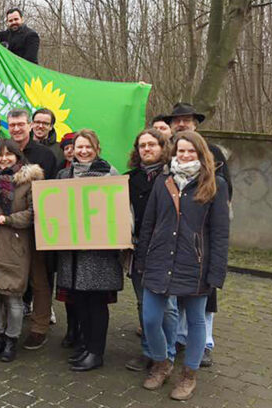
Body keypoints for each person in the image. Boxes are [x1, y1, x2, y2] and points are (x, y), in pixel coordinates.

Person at [135, 131, 229, 400]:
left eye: (191, 151)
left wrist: (216, 272)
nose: (185, 155)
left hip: (195, 263)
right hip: (159, 259)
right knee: (151, 319)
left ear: (201, 154)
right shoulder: (163, 182)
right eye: (180, 151)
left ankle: (189, 375)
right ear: (173, 153)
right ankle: (162, 363)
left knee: (196, 321)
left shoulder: (215, 185)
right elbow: (149, 223)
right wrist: (142, 258)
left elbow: (220, 233)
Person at [161, 102, 232, 367]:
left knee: (202, 301)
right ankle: (179, 339)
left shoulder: (211, 152)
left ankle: (204, 344)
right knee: (177, 296)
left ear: (195, 123)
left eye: (186, 120)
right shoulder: (167, 154)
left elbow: (224, 195)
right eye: (176, 120)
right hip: (173, 241)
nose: (181, 124)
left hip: (201, 239)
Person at [56, 129, 123, 372]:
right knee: (79, 301)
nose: (83, 151)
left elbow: (120, 211)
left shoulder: (109, 174)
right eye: (79, 147)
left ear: (96, 149)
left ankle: (97, 352)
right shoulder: (64, 175)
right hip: (71, 251)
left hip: (97, 253)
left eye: (88, 147)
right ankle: (85, 346)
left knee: (96, 303)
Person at [0, 140, 43, 362]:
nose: (4, 159)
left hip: (15, 243)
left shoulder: (29, 179)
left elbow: (34, 213)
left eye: (8, 155)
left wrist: (10, 219)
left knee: (13, 297)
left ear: (17, 156)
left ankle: (11, 339)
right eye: (0, 155)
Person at [124, 128, 178, 372]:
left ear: (162, 147)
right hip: (137, 249)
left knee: (167, 306)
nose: (146, 149)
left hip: (167, 250)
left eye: (152, 145)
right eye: (142, 145)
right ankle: (149, 351)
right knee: (143, 302)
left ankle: (168, 355)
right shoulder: (127, 179)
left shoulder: (174, 178)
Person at [5, 108, 57, 350]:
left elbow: (53, 192)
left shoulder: (45, 155)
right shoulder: (3, 151)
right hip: (9, 226)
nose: (16, 129)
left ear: (29, 126)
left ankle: (39, 327)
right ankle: (6, 322)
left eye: (20, 124)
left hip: (37, 226)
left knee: (39, 279)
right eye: (12, 124)